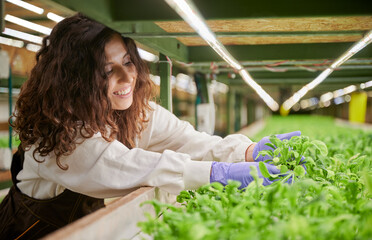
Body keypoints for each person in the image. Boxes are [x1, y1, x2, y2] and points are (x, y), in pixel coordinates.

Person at [0, 13, 301, 239]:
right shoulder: (58, 135)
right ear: (76, 81)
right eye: (107, 70)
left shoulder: (133, 110)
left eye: (128, 62)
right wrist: (217, 174)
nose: (127, 77)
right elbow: (128, 166)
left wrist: (247, 152)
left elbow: (188, 140)